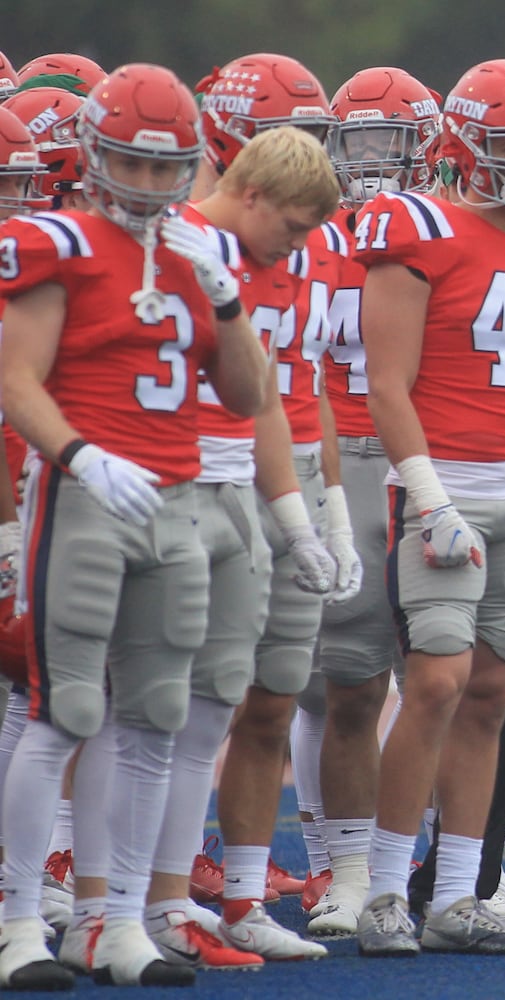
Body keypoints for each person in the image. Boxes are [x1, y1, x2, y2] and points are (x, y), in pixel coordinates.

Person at [0, 63, 270, 989]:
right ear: (93, 155)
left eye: (167, 171)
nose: (152, 187)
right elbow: (14, 378)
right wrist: (80, 457)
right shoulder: (56, 241)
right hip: (86, 497)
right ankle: (21, 920)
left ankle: (117, 924)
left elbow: (244, 395)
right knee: (65, 709)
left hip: (179, 500)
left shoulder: (203, 252)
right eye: (134, 165)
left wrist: (226, 303)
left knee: (154, 717)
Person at [354, 58, 505, 957]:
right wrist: (428, 497)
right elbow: (386, 384)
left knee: (495, 698)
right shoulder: (415, 226)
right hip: (445, 488)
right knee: (434, 684)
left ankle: (458, 896)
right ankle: (384, 890)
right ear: (463, 143)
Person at [141, 125, 339, 969]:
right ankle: (101, 898)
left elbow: (282, 393)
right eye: (293, 226)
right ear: (253, 192)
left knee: (224, 702)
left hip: (247, 481)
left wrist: (304, 513)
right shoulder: (174, 242)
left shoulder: (271, 257)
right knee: (127, 710)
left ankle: (182, 900)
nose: (298, 247)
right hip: (166, 481)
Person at [299, 64, 441, 937]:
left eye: (397, 141)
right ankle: (346, 869)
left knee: (455, 676)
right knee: (346, 682)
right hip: (344, 457)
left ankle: (461, 862)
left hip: (442, 454)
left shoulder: (452, 234)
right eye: (362, 142)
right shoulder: (311, 236)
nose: (379, 160)